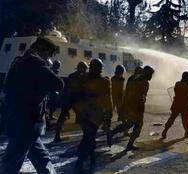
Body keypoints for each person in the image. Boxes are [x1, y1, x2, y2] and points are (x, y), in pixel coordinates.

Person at [0, 37, 64, 174]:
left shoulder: (17, 61)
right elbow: (58, 84)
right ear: (43, 49)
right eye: (50, 54)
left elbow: (6, 88)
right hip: (27, 123)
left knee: (42, 159)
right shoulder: (36, 63)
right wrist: (49, 68)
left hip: (18, 120)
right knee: (11, 164)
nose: (49, 57)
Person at [73, 59, 113, 173]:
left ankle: (88, 158)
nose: (96, 70)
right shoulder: (83, 79)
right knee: (88, 137)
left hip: (95, 115)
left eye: (98, 67)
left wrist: (108, 117)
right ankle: (81, 161)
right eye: (94, 67)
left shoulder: (104, 81)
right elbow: (75, 95)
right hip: (84, 113)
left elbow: (108, 100)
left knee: (89, 137)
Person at [108, 66, 155, 151]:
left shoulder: (133, 79)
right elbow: (139, 96)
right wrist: (138, 108)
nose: (151, 76)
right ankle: (129, 144)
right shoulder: (144, 82)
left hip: (129, 106)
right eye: (151, 74)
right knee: (138, 126)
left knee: (129, 124)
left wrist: (125, 107)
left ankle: (112, 133)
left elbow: (127, 92)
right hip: (136, 108)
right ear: (147, 73)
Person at [54, 61, 88, 142]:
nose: (85, 70)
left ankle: (57, 135)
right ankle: (86, 136)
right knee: (82, 118)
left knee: (62, 117)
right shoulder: (82, 77)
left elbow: (66, 89)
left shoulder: (71, 76)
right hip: (75, 100)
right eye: (84, 69)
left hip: (69, 99)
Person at [161, 71, 188, 139]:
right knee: (185, 119)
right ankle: (187, 132)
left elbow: (176, 93)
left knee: (172, 118)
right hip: (183, 105)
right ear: (187, 78)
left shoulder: (177, 84)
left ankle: (165, 131)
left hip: (176, 104)